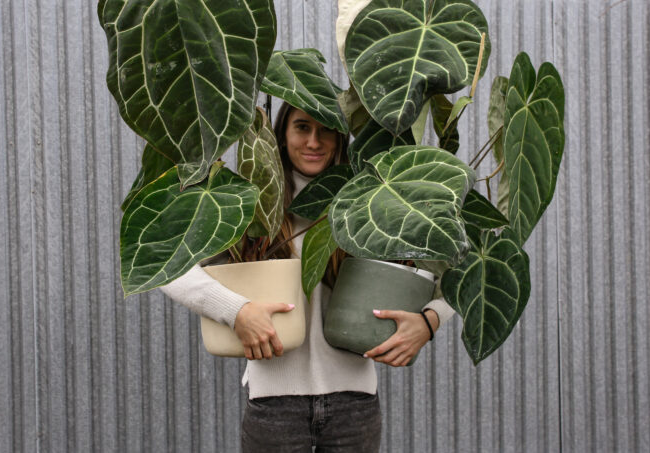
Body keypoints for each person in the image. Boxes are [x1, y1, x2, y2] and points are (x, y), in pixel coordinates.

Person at [159, 103, 456, 452]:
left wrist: (429, 321)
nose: (314, 141)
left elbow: (455, 271)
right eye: (302, 127)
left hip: (355, 406)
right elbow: (167, 266)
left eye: (326, 129)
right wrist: (235, 310)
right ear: (282, 137)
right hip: (274, 408)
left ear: (340, 139)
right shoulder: (250, 205)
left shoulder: (371, 204)